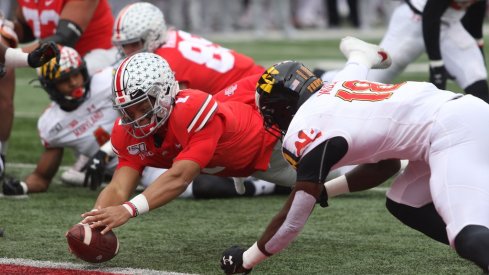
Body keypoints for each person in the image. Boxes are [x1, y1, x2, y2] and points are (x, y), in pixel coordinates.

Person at [219, 36, 489, 273]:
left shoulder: (306, 130)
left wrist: (246, 260)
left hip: (450, 132)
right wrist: (325, 191)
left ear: (283, 108)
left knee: (467, 235)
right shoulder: (337, 84)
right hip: (454, 117)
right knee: (404, 202)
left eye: (269, 114)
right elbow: (384, 166)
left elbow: (291, 223)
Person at [0, 46, 285, 199]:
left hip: (160, 146)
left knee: (199, 175)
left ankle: (269, 184)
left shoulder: (107, 82)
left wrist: (106, 152)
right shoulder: (52, 124)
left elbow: (156, 90)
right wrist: (24, 188)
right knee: (196, 184)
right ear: (50, 87)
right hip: (138, 156)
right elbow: (42, 175)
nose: (74, 83)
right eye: (64, 80)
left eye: (76, 74)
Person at [78, 52, 301, 233]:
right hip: (246, 162)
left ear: (164, 91)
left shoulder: (190, 109)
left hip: (277, 144)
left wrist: (128, 209)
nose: (136, 118)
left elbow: (180, 177)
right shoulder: (125, 132)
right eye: (128, 110)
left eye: (144, 107)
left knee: (332, 179)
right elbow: (118, 186)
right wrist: (92, 222)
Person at [0, 0, 117, 190]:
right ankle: (95, 157)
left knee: (82, 102)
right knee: (59, 117)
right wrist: (9, 29)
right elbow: (25, 28)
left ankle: (109, 154)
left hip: (97, 56)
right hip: (58, 65)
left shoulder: (106, 79)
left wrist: (19, 57)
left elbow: (64, 38)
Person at [365, 0, 489, 101]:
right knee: (369, 79)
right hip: (414, 21)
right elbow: (431, 16)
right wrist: (437, 65)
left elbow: (476, 14)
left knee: (475, 74)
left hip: (449, 24)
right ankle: (348, 116)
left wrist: (479, 49)